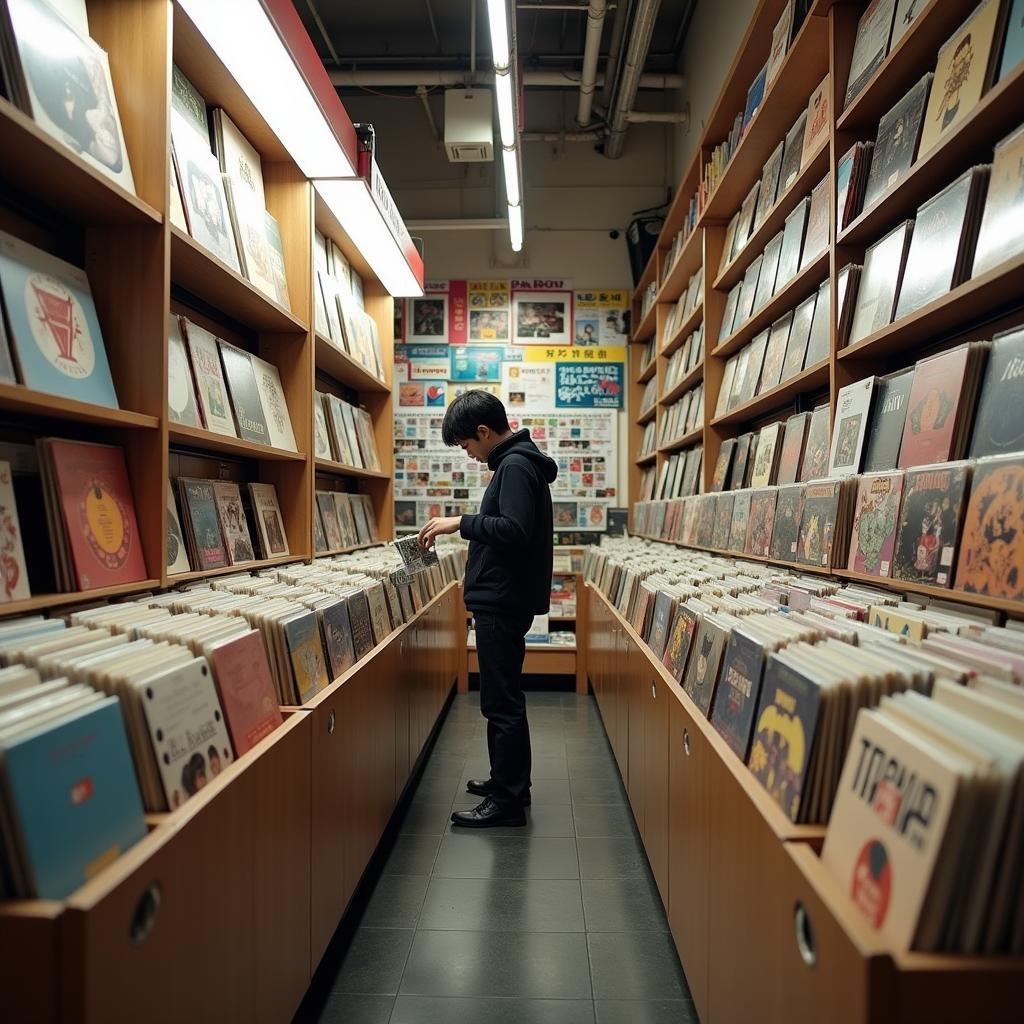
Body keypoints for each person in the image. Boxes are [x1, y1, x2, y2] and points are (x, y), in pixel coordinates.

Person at [418, 390, 557, 828]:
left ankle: (508, 799)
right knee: (504, 698)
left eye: (467, 445)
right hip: (504, 597)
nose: (470, 455)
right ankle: (510, 781)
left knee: (501, 702)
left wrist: (459, 522)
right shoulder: (517, 463)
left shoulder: (514, 466)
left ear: (483, 432)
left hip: (502, 600)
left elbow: (513, 530)